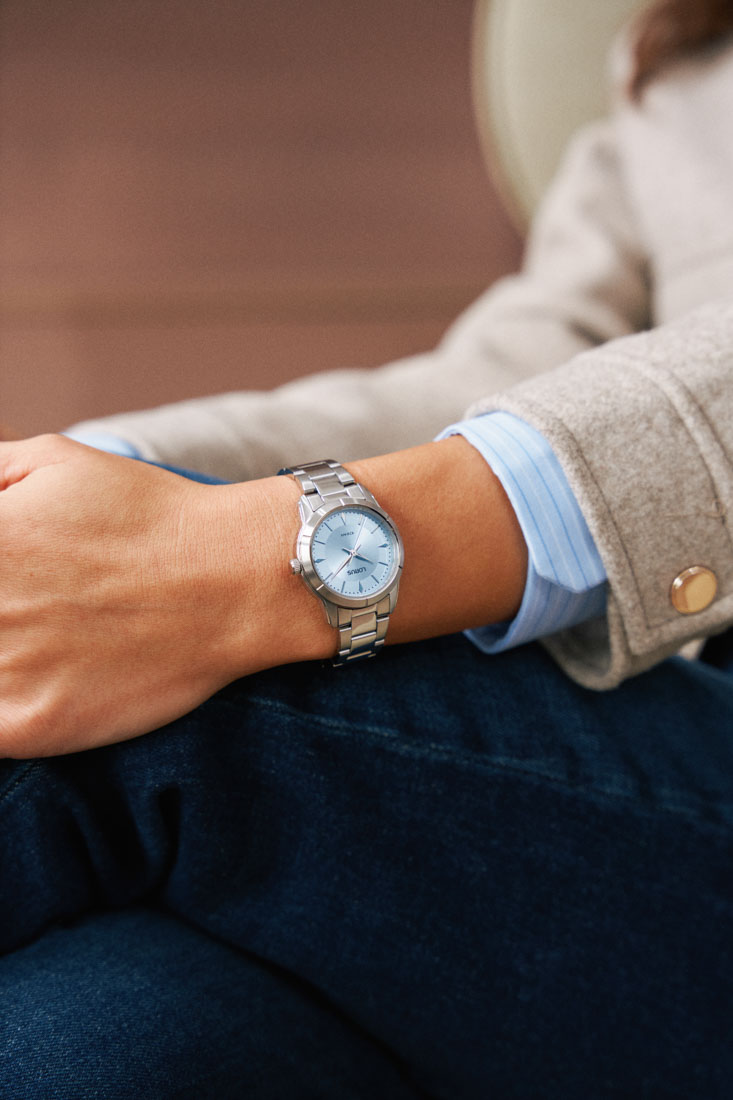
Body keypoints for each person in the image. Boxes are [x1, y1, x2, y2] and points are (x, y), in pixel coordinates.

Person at [2, 0, 733, 1095]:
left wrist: (237, 561)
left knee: (137, 703)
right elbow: (521, 367)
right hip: (591, 843)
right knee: (70, 1046)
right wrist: (93, 490)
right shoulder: (681, 59)